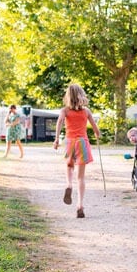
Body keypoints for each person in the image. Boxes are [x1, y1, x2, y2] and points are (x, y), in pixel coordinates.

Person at [53, 83, 101, 218]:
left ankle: (68, 184)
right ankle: (80, 205)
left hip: (70, 142)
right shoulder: (86, 111)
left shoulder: (65, 111)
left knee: (69, 167)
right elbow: (96, 129)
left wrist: (56, 139)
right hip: (83, 143)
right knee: (81, 177)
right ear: (81, 95)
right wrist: (97, 135)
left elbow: (59, 123)